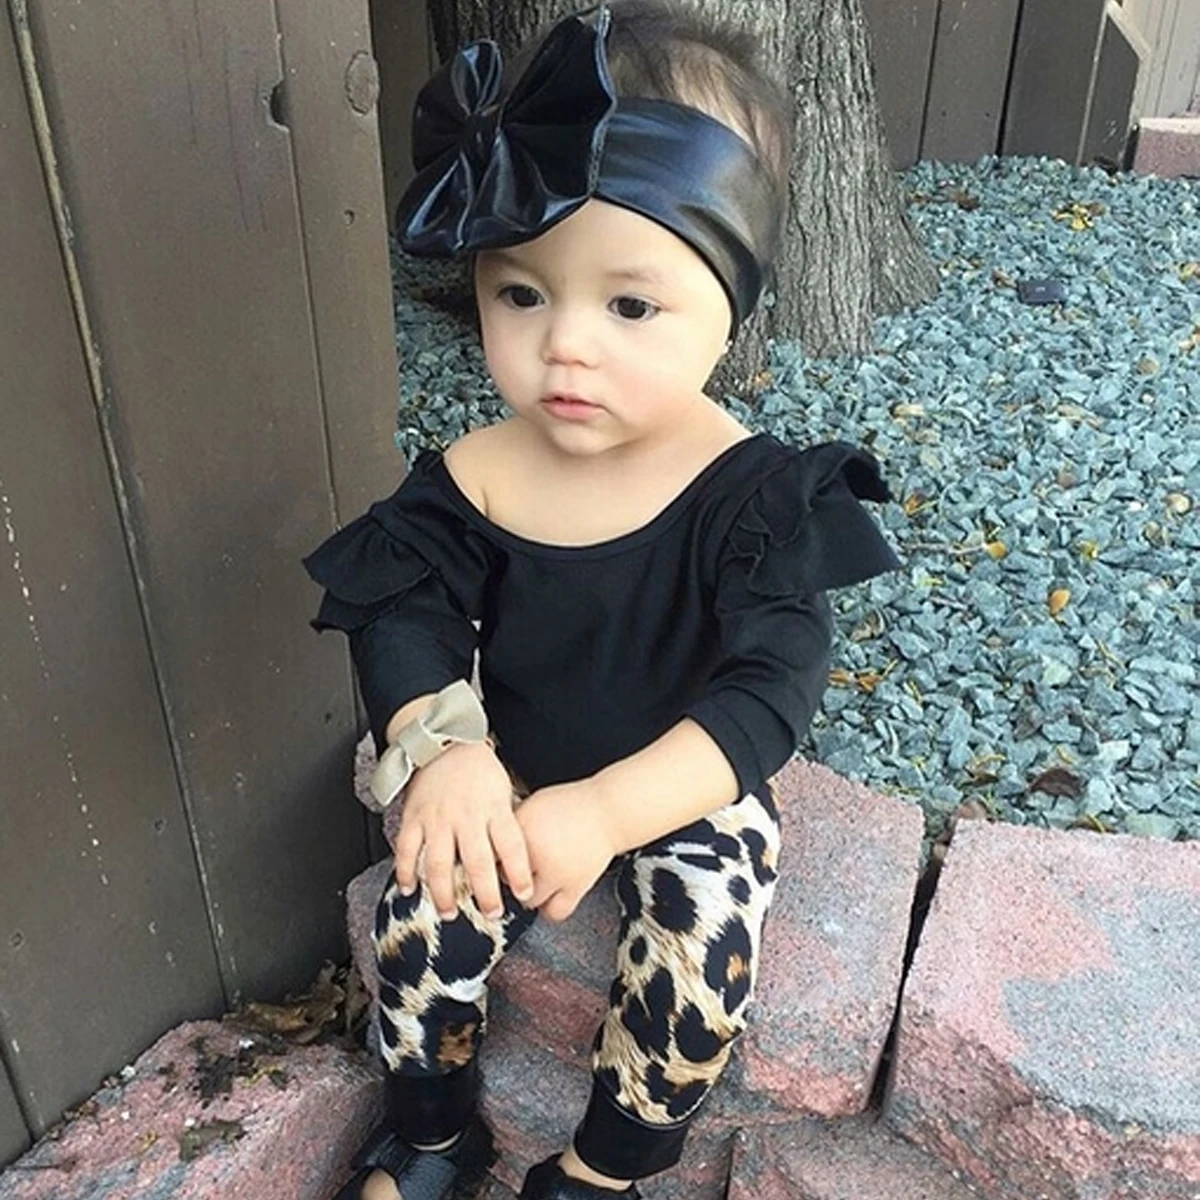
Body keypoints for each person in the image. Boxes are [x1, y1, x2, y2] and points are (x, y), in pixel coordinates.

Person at [305, 3, 898, 1197]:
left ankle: (601, 1166)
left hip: (681, 779)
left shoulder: (751, 497)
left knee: (703, 949)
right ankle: (436, 1134)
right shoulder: (481, 473)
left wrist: (613, 809)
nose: (564, 346)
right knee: (421, 920)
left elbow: (769, 690)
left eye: (629, 306)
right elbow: (406, 608)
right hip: (512, 766)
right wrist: (445, 746)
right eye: (522, 294)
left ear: (732, 301)